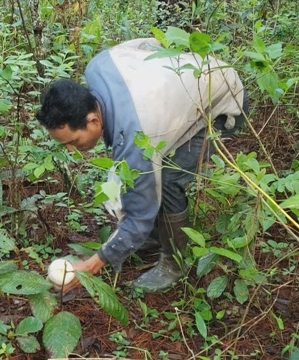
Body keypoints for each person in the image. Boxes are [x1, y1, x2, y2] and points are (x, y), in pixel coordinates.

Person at [36, 38, 248, 293]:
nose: (71, 150)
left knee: (167, 179)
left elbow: (139, 214)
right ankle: (155, 236)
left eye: (72, 141)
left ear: (93, 120)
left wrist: (93, 265)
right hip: (194, 82)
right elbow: (151, 43)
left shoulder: (136, 137)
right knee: (150, 172)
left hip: (223, 101)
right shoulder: (97, 66)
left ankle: (174, 263)